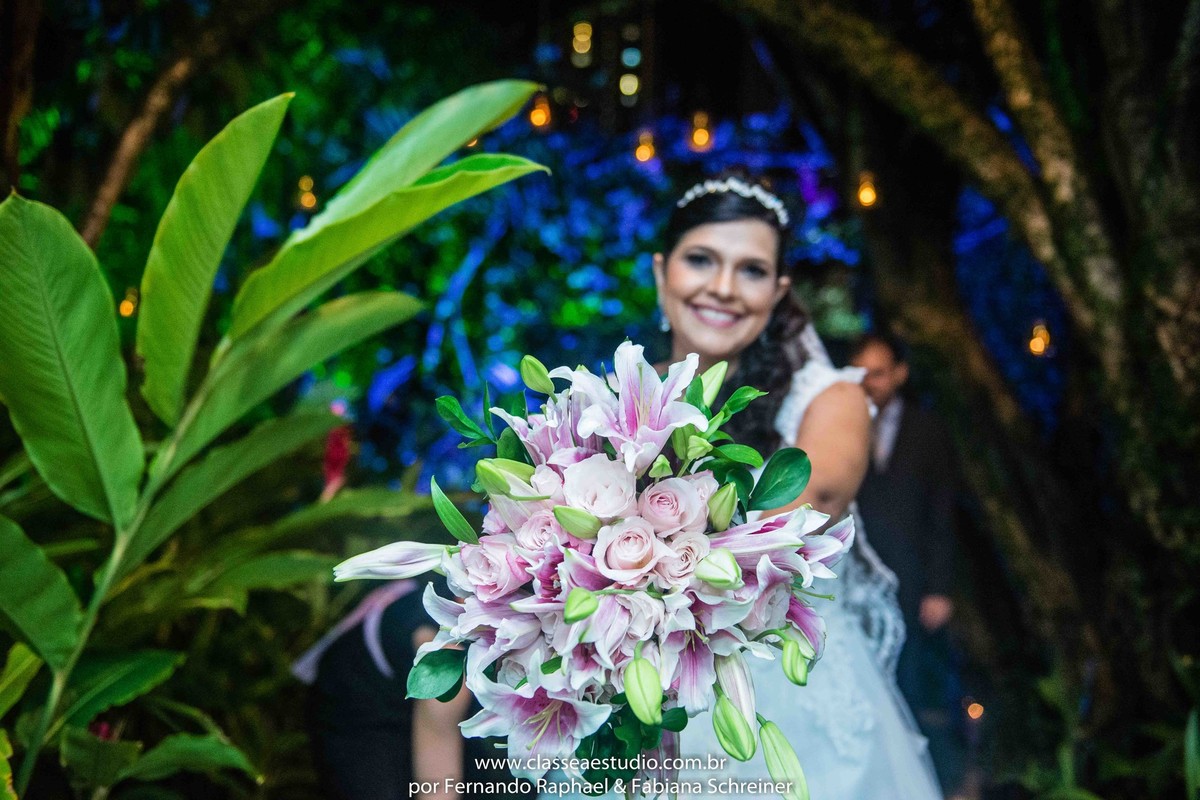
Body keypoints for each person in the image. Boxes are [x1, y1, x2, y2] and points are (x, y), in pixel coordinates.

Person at [652, 175, 943, 798]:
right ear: (661, 271)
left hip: (787, 699)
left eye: (752, 270)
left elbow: (792, 520)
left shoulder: (829, 400)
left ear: (779, 291)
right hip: (645, 690)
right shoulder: (624, 399)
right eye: (700, 259)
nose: (723, 287)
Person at [850, 332, 965, 793]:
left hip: (913, 577)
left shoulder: (928, 430)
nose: (869, 382)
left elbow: (943, 512)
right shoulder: (841, 425)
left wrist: (940, 587)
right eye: (861, 373)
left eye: (878, 373)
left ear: (900, 374)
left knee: (911, 684)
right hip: (854, 576)